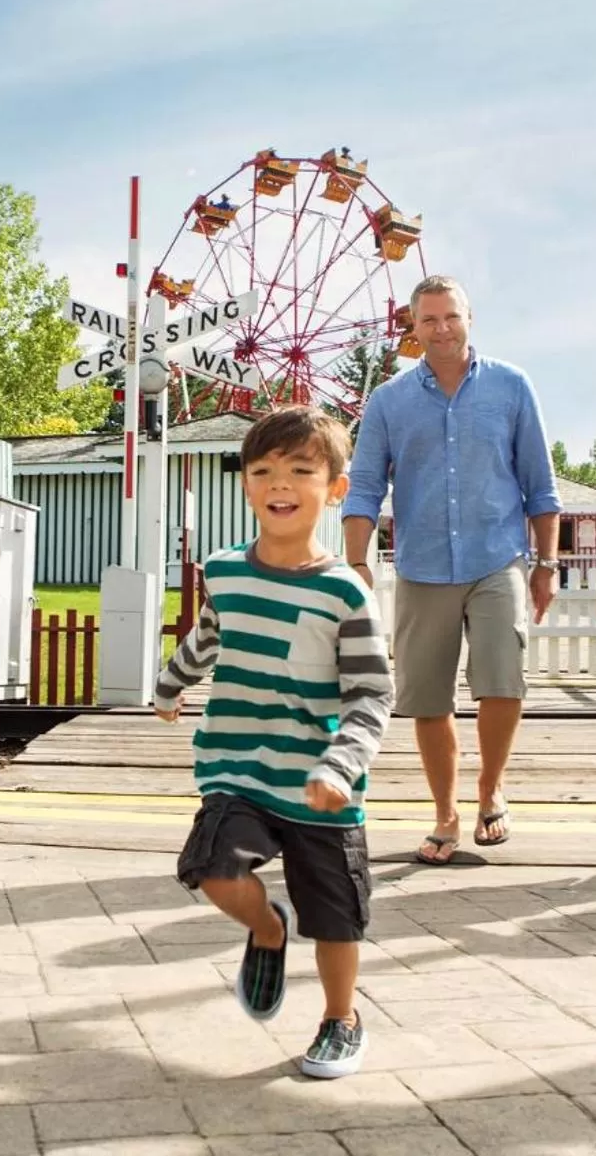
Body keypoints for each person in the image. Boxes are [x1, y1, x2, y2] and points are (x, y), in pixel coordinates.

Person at [154, 406, 394, 1080]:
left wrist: (342, 764)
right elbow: (208, 637)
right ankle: (266, 927)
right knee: (213, 868)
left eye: (299, 470)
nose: (279, 483)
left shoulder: (345, 592)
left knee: (338, 917)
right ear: (247, 486)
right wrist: (170, 684)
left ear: (335, 488)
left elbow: (373, 694)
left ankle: (341, 1016)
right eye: (262, 471)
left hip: (322, 784)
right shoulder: (226, 572)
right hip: (240, 766)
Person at [343, 276, 560, 865]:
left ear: (470, 319)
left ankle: (491, 791)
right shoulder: (388, 401)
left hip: (498, 558)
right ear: (413, 327)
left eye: (451, 317)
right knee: (428, 698)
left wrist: (547, 563)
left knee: (501, 679)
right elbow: (363, 487)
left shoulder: (513, 387)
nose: (442, 329)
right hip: (422, 565)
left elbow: (540, 485)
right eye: (429, 320)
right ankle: (445, 811)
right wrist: (356, 560)